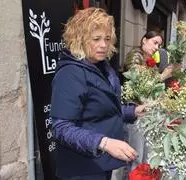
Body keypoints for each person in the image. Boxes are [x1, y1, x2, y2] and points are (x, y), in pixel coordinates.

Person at [50, 8, 142, 180]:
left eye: (107, 39)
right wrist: (104, 143)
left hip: (101, 162)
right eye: (96, 39)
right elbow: (61, 128)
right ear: (80, 39)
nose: (104, 45)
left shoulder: (101, 66)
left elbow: (102, 110)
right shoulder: (70, 74)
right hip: (82, 168)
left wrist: (133, 111)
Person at [124, 31, 173, 171]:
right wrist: (163, 75)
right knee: (135, 156)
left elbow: (154, 87)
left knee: (147, 156)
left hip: (147, 112)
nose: (157, 47)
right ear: (144, 40)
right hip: (134, 111)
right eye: (155, 42)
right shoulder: (135, 56)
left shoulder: (150, 61)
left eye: (159, 45)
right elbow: (139, 79)